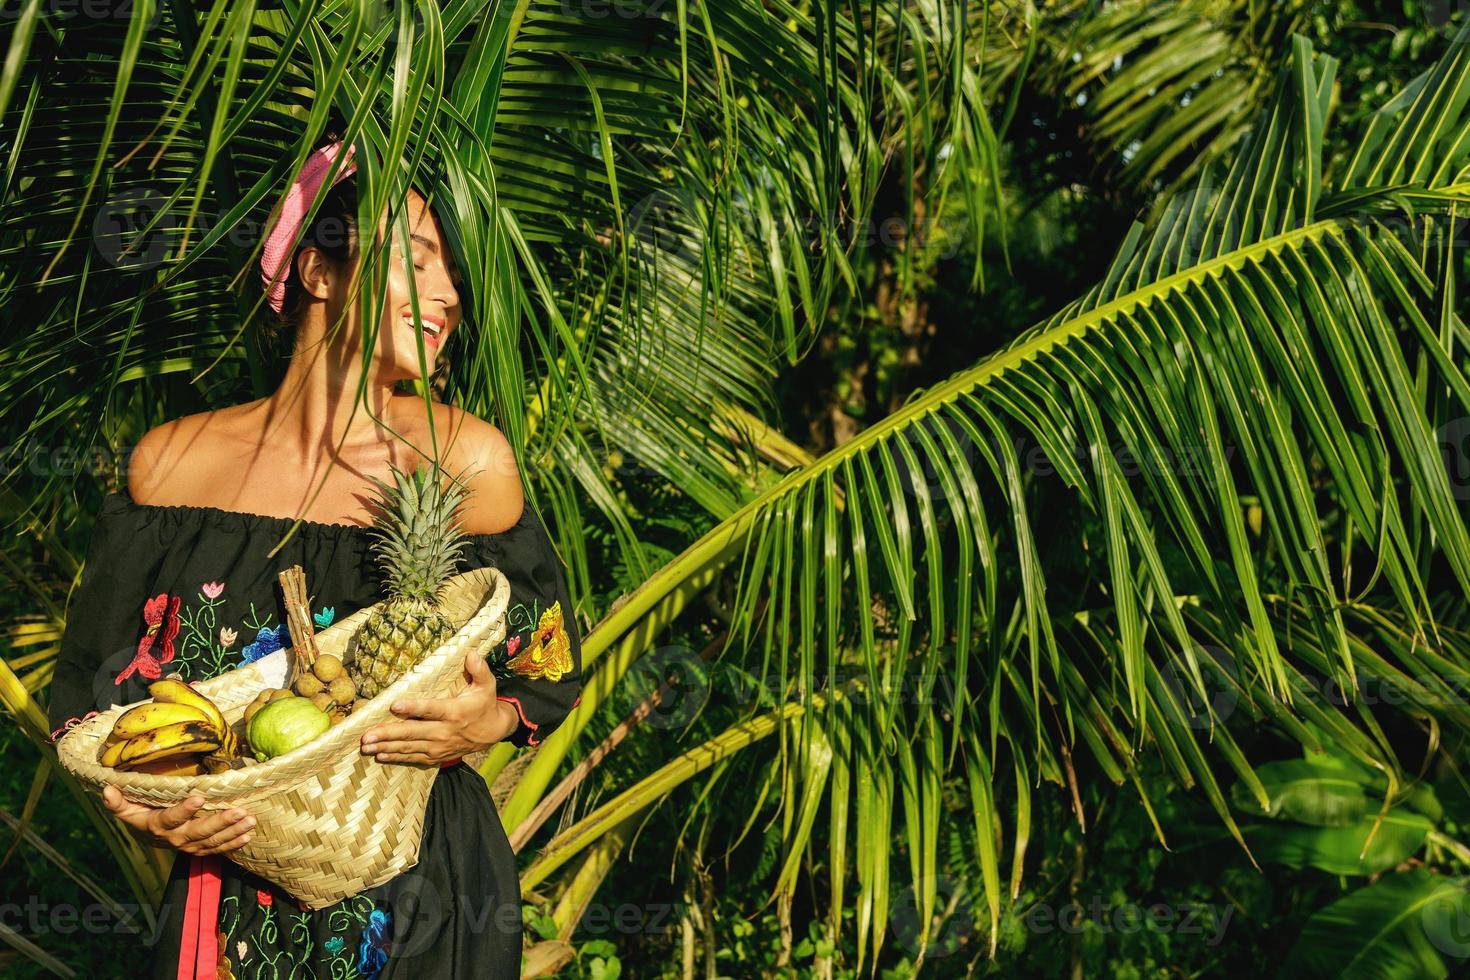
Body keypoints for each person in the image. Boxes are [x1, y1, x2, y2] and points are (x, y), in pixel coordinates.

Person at [45, 134, 584, 979]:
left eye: (454, 278)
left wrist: (488, 721)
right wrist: (148, 814)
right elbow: (93, 707)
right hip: (227, 899)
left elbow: (546, 665)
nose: (447, 295)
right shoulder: (172, 468)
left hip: (423, 900)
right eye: (420, 261)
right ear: (317, 272)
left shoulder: (463, 463)